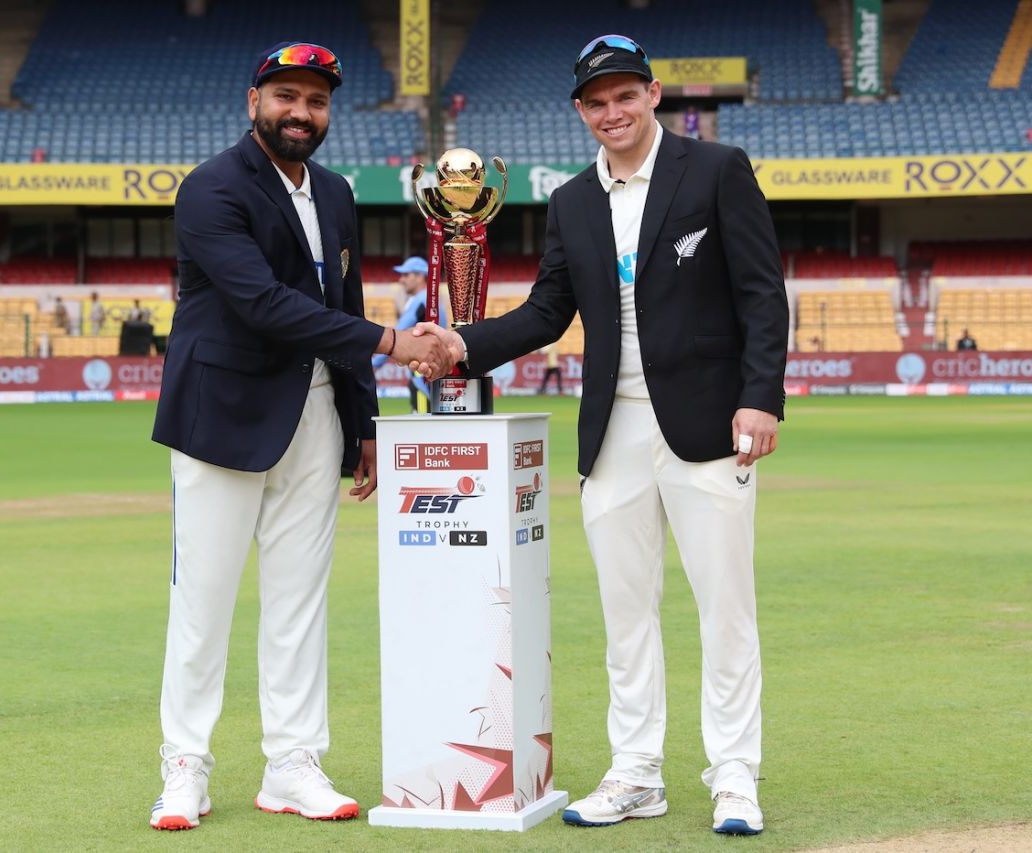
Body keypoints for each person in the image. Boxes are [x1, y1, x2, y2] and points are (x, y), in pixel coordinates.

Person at [418, 34, 788, 836]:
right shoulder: (572, 200)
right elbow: (548, 312)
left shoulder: (717, 169)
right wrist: (461, 342)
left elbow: (762, 291)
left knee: (725, 609)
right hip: (611, 431)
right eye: (596, 101)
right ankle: (637, 772)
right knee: (626, 614)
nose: (612, 112)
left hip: (709, 423)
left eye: (625, 95)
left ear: (653, 95)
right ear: (581, 112)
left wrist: (761, 397)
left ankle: (734, 774)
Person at [147, 40, 451, 831]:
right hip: (222, 416)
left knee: (298, 601)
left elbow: (342, 302)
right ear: (254, 102)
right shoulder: (211, 187)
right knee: (202, 600)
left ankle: (292, 762)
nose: (301, 112)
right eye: (286, 96)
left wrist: (365, 422)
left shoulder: (337, 191)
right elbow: (263, 303)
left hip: (315, 413)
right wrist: (393, 342)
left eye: (316, 101)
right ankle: (185, 764)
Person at [370, 255, 447, 412]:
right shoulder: (432, 300)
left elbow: (395, 336)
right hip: (433, 375)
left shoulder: (420, 300)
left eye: (406, 275)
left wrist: (375, 363)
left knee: (422, 421)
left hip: (422, 377)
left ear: (420, 277)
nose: (401, 280)